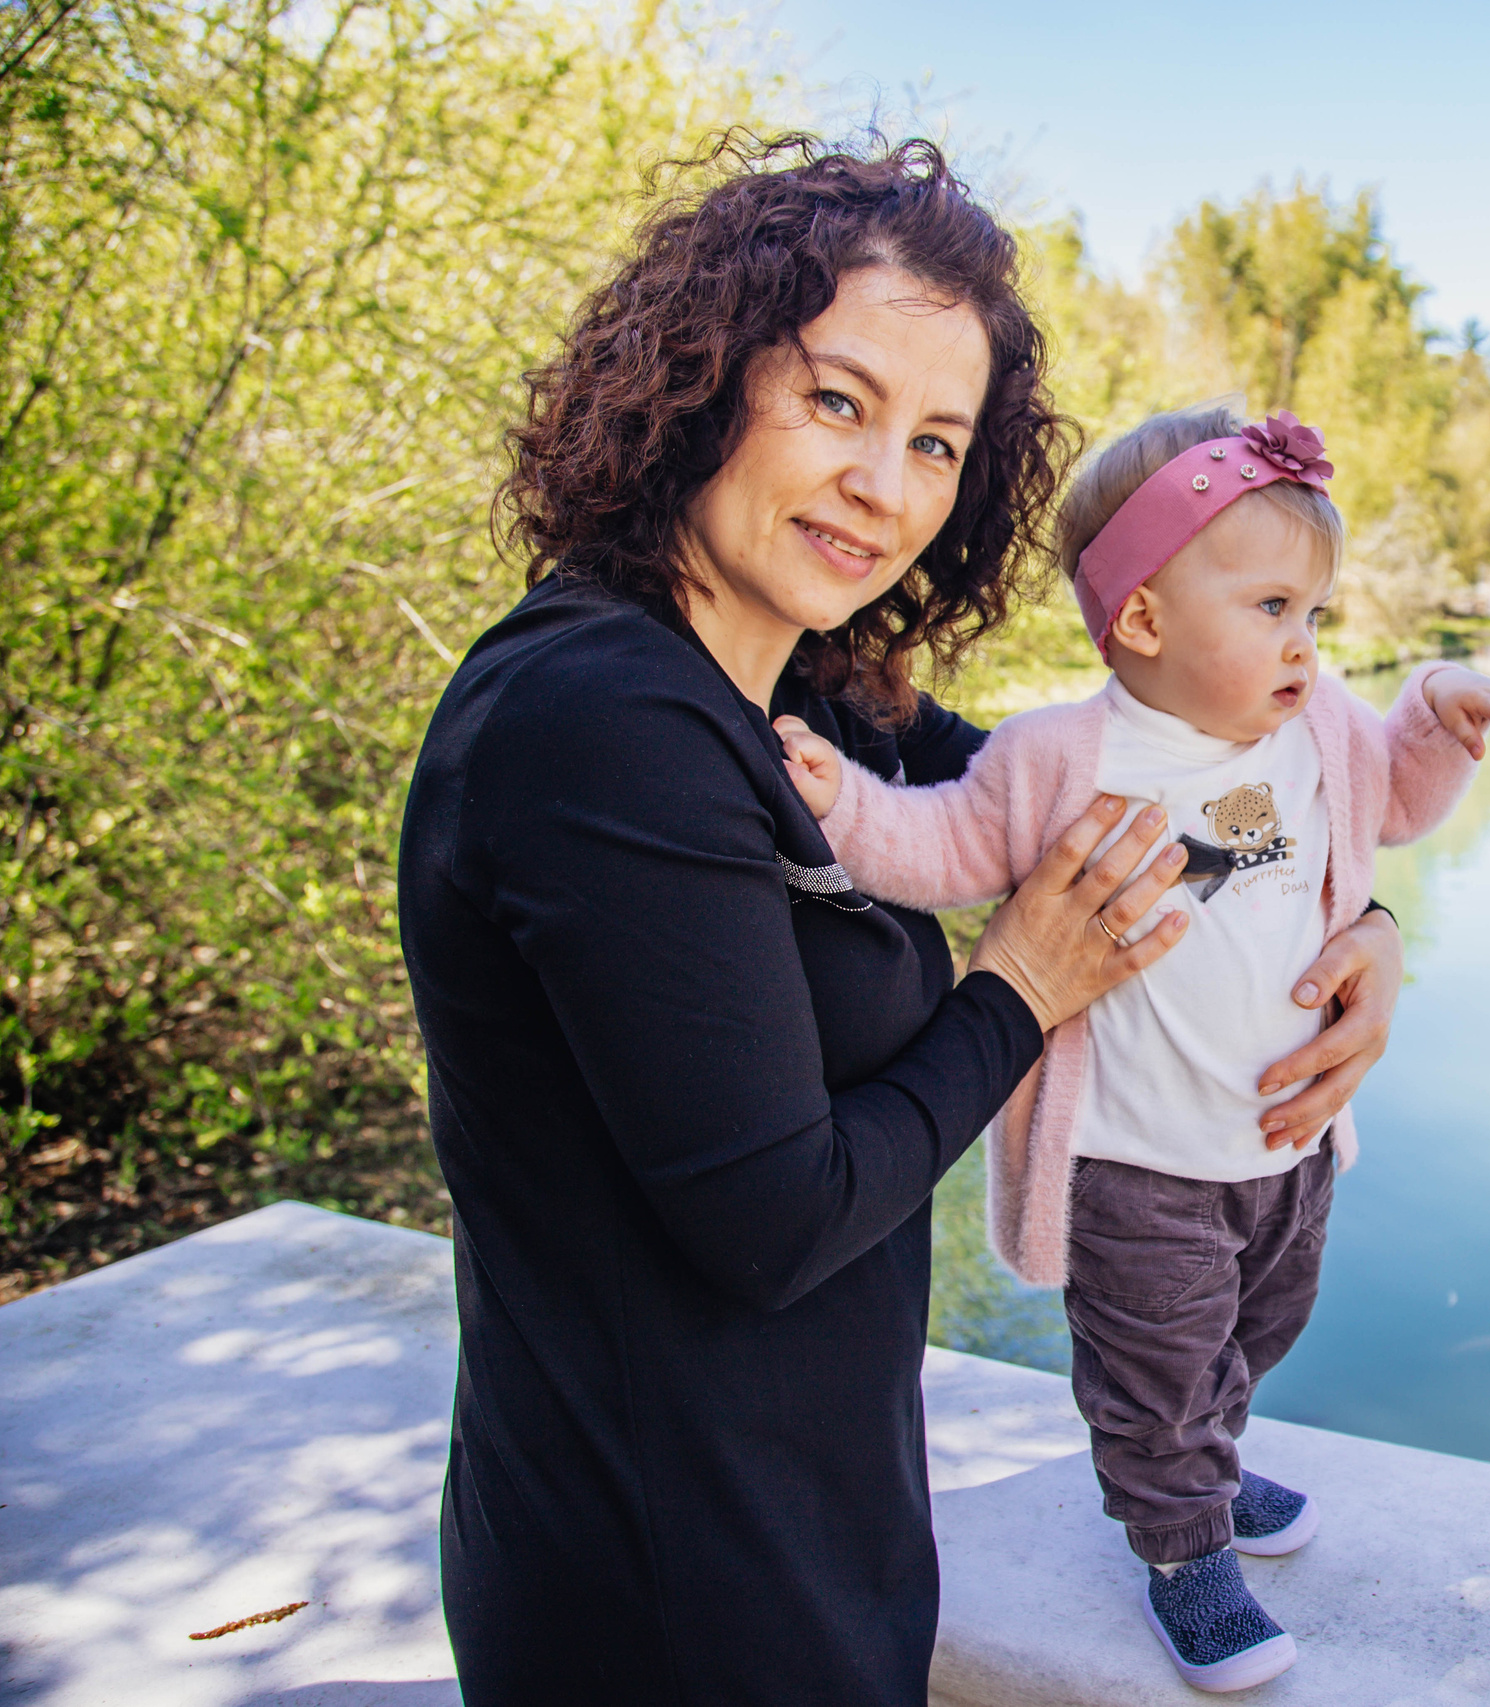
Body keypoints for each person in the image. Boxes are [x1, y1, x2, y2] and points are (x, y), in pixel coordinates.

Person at [396, 140, 1411, 1707]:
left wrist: (1365, 920)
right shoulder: (593, 727)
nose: (889, 488)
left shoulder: (798, 684)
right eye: (838, 403)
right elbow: (774, 1220)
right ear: (702, 376)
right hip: (664, 1600)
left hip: (812, 1539)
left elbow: (1122, 816)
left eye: (939, 443)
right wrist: (1013, 992)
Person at [776, 403, 1490, 1692]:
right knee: (1156, 1367)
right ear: (1142, 622)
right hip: (1137, 1162)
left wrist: (1438, 717)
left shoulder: (1319, 735)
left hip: (1281, 1144)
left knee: (1261, 1326)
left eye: (1317, 617)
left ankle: (1215, 1468)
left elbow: (1397, 802)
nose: (1304, 647)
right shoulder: (1060, 761)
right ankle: (1184, 1551)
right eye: (1271, 611)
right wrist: (845, 801)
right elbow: (944, 848)